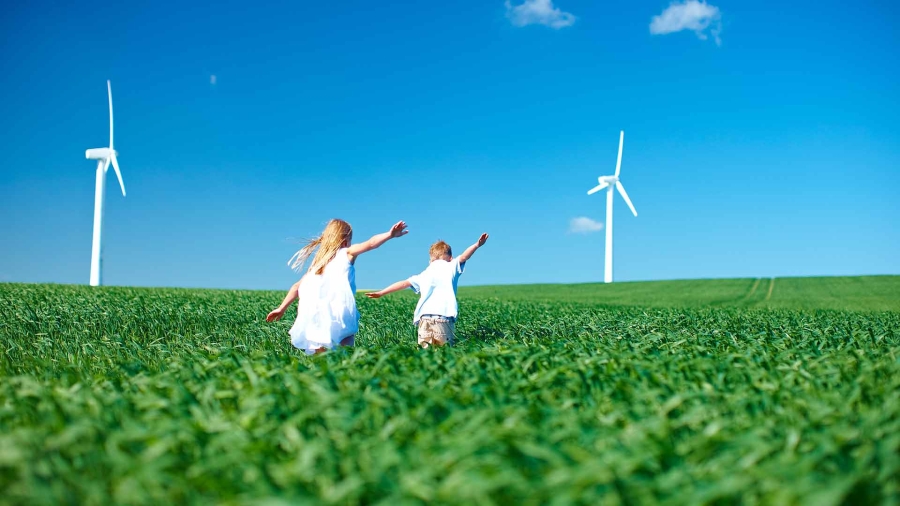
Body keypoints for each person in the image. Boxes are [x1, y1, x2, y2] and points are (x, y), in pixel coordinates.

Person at [267, 219, 408, 354]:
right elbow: (371, 243)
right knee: (345, 350)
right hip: (340, 312)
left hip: (315, 316)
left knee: (320, 357)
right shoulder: (346, 253)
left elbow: (297, 287)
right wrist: (390, 235)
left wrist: (281, 308)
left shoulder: (317, 265)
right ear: (346, 239)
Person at [367, 233, 488, 348]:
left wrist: (381, 292)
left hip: (424, 319)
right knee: (443, 356)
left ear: (430, 260)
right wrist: (477, 245)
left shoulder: (424, 274)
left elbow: (403, 283)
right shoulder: (451, 266)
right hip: (443, 317)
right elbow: (464, 256)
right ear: (451, 258)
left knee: (424, 357)